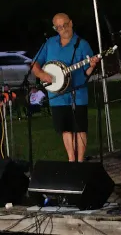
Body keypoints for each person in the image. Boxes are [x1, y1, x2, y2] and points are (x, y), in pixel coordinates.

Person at [31, 13, 99, 162]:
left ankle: (80, 162)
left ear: (71, 23)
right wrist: (42, 75)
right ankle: (71, 160)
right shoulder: (49, 43)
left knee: (79, 128)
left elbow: (87, 71)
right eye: (59, 27)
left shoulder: (82, 44)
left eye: (66, 25)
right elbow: (34, 64)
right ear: (55, 28)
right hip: (57, 95)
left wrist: (92, 65)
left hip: (78, 93)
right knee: (65, 128)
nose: (64, 29)